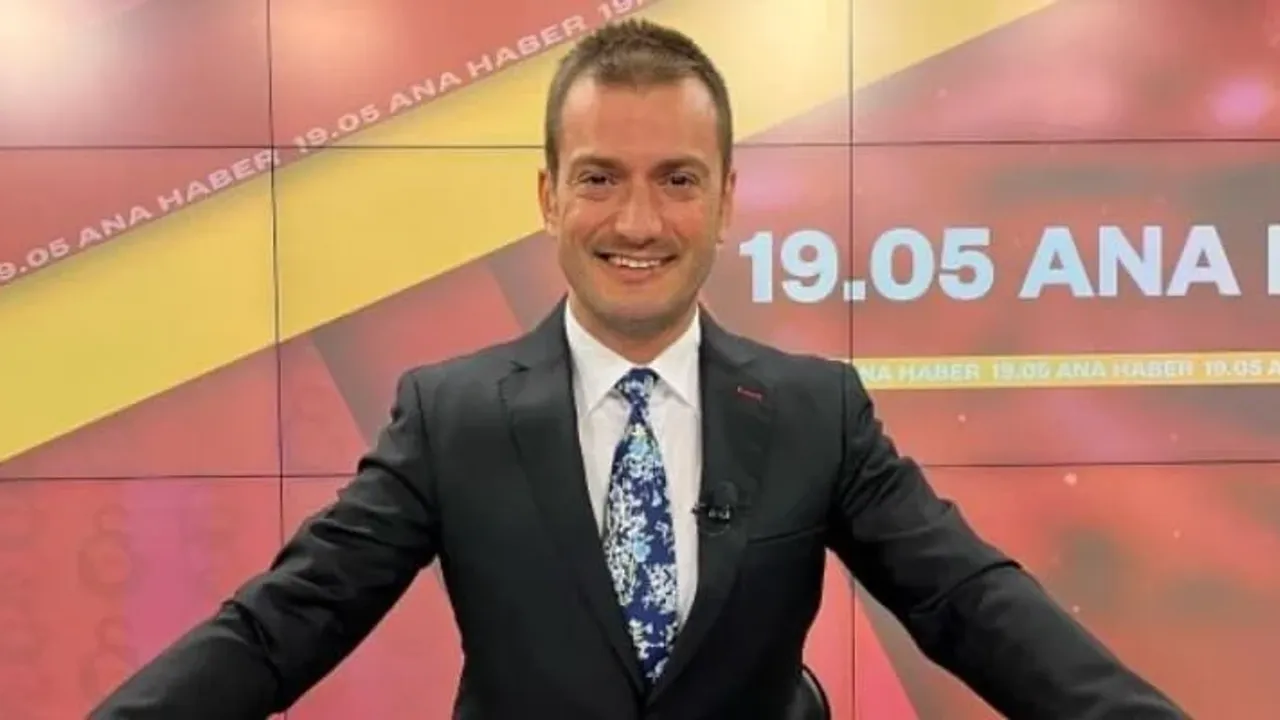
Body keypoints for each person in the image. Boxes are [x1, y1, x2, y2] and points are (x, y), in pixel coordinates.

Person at [91, 18, 1187, 720]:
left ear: (725, 199)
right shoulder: (450, 415)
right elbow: (286, 622)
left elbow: (970, 603)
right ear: (547, 197)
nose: (636, 221)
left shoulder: (816, 412)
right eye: (599, 177)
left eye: (676, 179)